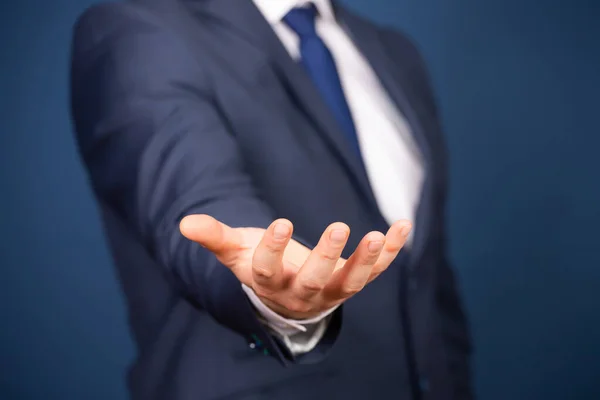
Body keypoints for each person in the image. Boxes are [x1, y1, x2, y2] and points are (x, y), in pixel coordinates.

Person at [70, 0, 472, 398]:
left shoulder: (393, 51)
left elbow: (427, 279)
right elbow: (199, 199)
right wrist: (272, 291)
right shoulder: (140, 30)